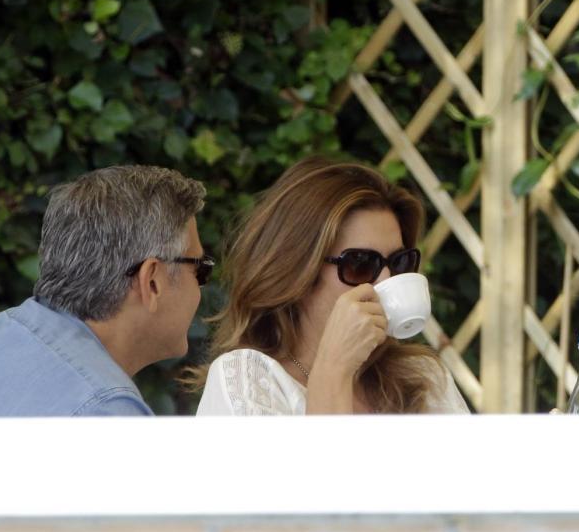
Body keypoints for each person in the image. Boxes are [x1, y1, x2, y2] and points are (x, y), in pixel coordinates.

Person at [0, 166, 209, 416]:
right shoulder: (105, 411)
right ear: (152, 281)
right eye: (200, 269)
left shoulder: (2, 333)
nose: (201, 286)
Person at [193, 158, 468, 415]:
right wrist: (335, 369)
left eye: (399, 262)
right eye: (361, 264)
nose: (386, 280)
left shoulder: (424, 378)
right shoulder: (247, 380)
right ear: (298, 271)